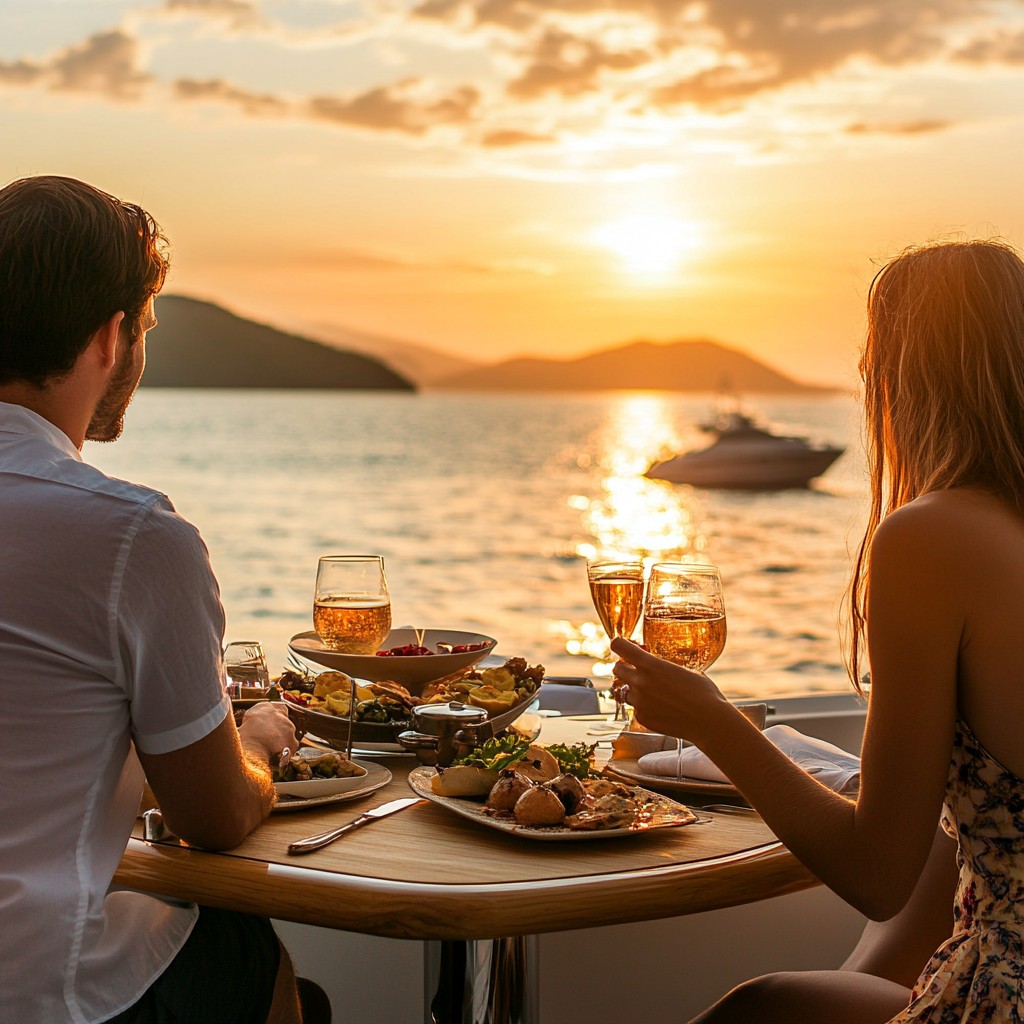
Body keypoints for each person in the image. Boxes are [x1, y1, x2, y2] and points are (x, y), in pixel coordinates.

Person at [612, 239, 1024, 1023]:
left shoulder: (933, 537)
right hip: (987, 946)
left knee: (762, 1008)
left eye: (873, 364)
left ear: (905, 379)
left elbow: (877, 875)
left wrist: (710, 719)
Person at [0, 175, 322, 1024]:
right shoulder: (131, 537)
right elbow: (214, 818)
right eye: (142, 330)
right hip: (36, 988)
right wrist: (254, 741)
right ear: (111, 337)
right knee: (243, 948)